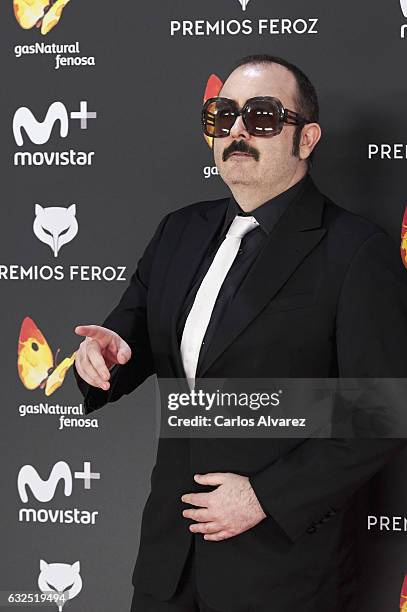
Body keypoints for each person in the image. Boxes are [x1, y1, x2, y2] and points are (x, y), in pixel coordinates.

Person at [73, 54, 407, 611]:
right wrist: (104, 356)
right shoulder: (180, 230)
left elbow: (383, 414)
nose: (236, 131)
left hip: (281, 574)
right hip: (168, 568)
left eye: (262, 117)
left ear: (307, 139)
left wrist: (263, 498)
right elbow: (129, 332)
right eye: (222, 116)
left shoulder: (356, 252)